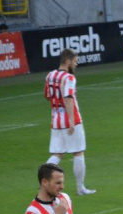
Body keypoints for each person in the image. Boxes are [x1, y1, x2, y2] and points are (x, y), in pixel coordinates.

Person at [43, 49, 95, 196]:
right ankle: (80, 188)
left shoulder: (50, 75)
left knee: (58, 153)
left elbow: (47, 96)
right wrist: (72, 121)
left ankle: (43, 181)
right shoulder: (69, 78)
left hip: (56, 120)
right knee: (78, 152)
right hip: (71, 120)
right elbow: (68, 98)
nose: (76, 64)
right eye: (75, 61)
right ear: (68, 61)